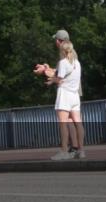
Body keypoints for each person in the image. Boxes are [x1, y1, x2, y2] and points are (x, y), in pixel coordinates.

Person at [36, 30, 85, 160]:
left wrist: (49, 77)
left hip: (65, 94)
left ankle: (64, 151)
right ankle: (79, 149)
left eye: (56, 40)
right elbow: (61, 72)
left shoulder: (63, 61)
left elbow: (59, 77)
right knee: (76, 122)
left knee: (63, 123)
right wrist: (48, 69)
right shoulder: (76, 61)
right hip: (74, 94)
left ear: (59, 42)